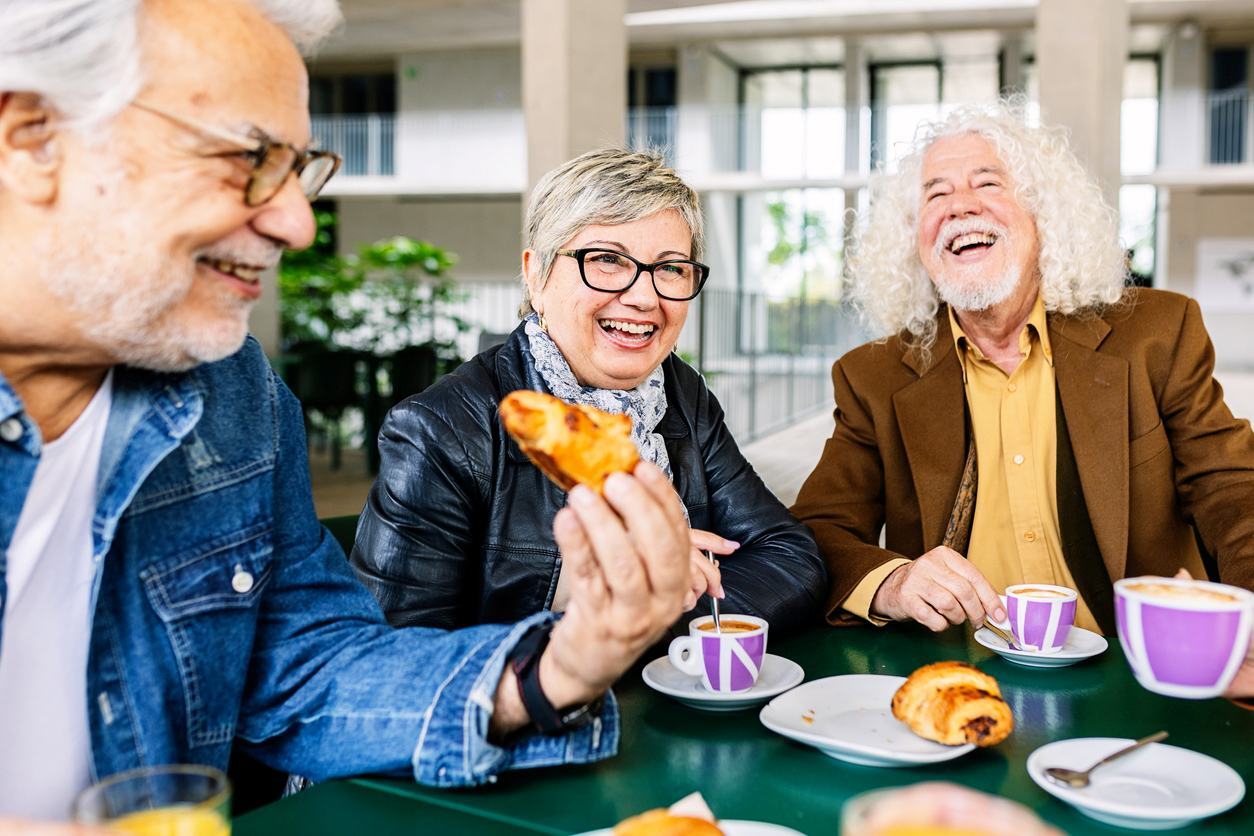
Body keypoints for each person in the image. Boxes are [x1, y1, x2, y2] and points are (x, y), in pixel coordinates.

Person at [0, 0, 693, 825]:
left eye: (299, 168)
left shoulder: (234, 391)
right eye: (248, 157)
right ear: (32, 139)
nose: (297, 221)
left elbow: (308, 668)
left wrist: (561, 666)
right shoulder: (439, 417)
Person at [792, 99, 1254, 635]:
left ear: (1043, 216)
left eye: (987, 184)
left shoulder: (1157, 333)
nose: (959, 207)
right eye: (935, 193)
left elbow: (1231, 487)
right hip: (963, 673)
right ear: (912, 241)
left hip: (1134, 666)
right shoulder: (872, 378)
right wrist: (892, 583)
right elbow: (816, 531)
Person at [351, 148, 826, 633]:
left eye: (670, 268)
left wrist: (652, 617)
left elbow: (791, 560)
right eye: (605, 260)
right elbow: (393, 655)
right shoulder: (441, 428)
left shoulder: (682, 395)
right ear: (536, 275)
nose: (644, 297)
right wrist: (621, 605)